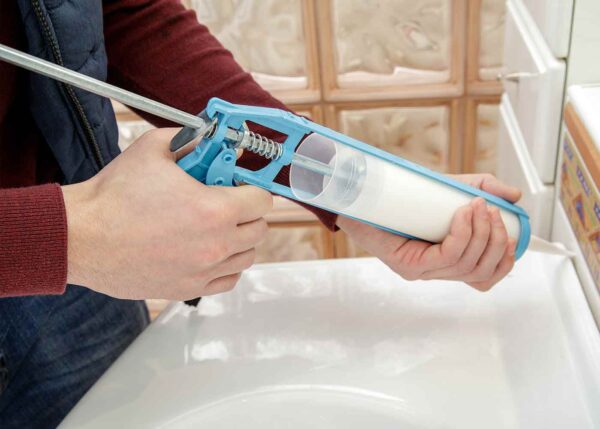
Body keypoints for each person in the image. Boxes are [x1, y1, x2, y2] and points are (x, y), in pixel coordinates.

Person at [0, 1, 521, 427]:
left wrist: (355, 192)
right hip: (73, 243)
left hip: (74, 289)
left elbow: (116, 13)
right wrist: (73, 235)